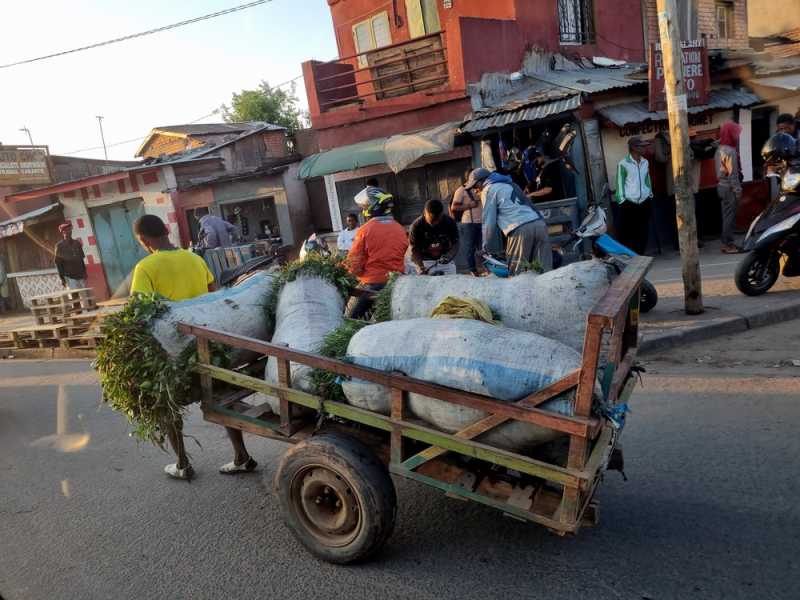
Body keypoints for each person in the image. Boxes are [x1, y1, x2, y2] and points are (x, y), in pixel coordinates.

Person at [130, 214, 255, 480]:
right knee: (221, 397)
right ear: (166, 230)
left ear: (143, 240)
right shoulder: (195, 259)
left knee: (166, 404)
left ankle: (182, 463)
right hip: (208, 348)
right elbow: (212, 298)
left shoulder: (145, 267)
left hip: (174, 355)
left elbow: (139, 314)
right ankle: (241, 455)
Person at [465, 168, 552, 276]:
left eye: (475, 186)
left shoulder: (488, 189)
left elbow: (489, 221)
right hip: (539, 224)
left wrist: (485, 246)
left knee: (517, 274)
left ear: (482, 181)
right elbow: (530, 205)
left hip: (519, 229)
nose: (475, 190)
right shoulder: (511, 184)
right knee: (544, 271)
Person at [345, 187, 408, 319]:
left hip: (372, 284)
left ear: (371, 207)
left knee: (350, 320)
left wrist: (344, 271)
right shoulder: (400, 228)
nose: (363, 210)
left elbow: (353, 264)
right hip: (397, 283)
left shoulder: (364, 230)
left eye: (364, 207)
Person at [614, 137, 654, 255]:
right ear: (633, 148)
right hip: (629, 203)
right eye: (642, 146)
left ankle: (640, 255)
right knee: (628, 233)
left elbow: (647, 179)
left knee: (643, 231)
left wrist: (649, 194)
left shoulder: (645, 162)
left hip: (644, 201)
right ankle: (630, 257)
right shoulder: (623, 164)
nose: (644, 148)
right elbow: (619, 184)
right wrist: (622, 201)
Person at [406, 200, 459, 276]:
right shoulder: (416, 226)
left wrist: (449, 255)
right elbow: (414, 250)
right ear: (425, 213)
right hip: (425, 262)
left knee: (451, 281)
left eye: (438, 220)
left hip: (445, 263)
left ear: (442, 214)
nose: (435, 223)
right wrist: (421, 267)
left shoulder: (449, 222)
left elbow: (456, 243)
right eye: (432, 220)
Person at [715, 121, 743, 254]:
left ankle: (726, 243)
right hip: (729, 188)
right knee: (730, 217)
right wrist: (737, 190)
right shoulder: (730, 151)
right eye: (736, 133)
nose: (737, 136)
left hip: (721, 185)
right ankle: (728, 244)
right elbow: (733, 174)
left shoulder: (720, 148)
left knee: (726, 216)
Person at [450, 171, 483, 276]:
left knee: (483, 247)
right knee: (470, 248)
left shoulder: (481, 188)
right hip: (469, 223)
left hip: (482, 222)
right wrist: (469, 205)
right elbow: (454, 207)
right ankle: (473, 270)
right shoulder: (461, 190)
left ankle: (485, 268)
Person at [54, 222, 88, 289]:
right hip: (69, 277)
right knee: (75, 294)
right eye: (66, 230)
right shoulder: (59, 246)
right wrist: (62, 279)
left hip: (80, 275)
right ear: (62, 232)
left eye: (70, 229)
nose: (69, 231)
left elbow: (81, 260)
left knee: (85, 294)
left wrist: (85, 272)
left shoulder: (77, 243)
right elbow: (58, 264)